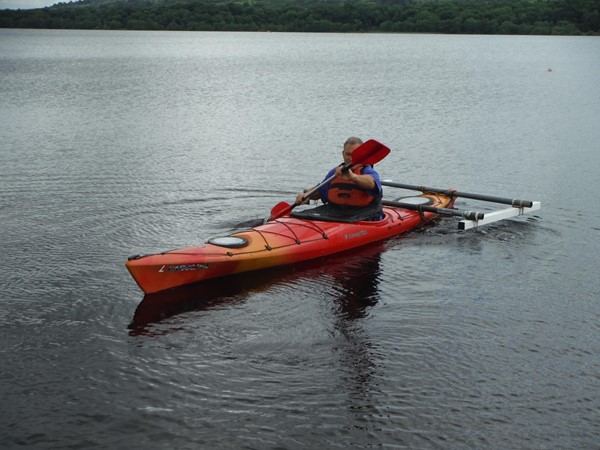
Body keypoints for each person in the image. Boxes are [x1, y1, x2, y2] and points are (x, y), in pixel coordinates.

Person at [295, 137, 383, 221]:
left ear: (362, 155)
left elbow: (372, 183)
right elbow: (321, 190)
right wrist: (307, 195)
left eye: (355, 154)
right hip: (335, 214)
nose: (351, 158)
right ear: (343, 154)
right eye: (348, 154)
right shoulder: (335, 173)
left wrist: (353, 177)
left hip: (363, 215)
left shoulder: (368, 171)